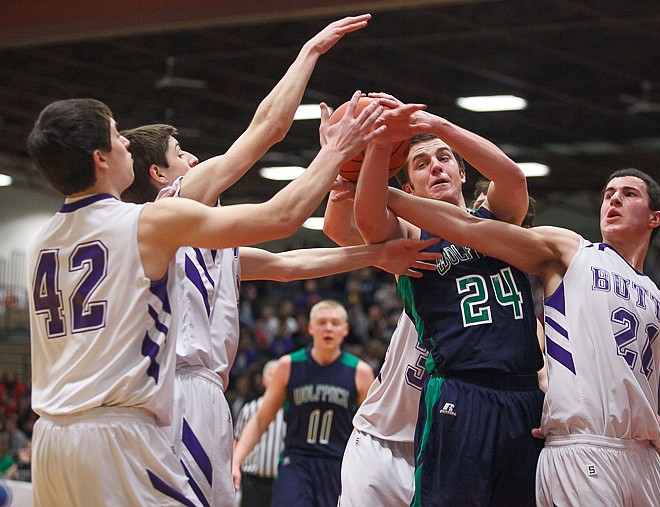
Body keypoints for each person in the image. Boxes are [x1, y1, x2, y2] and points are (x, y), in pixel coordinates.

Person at [22, 93, 406, 505]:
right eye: (118, 135)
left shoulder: (40, 241)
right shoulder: (156, 217)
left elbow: (285, 262)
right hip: (140, 413)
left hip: (53, 433)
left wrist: (375, 253)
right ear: (104, 159)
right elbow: (277, 196)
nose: (127, 144)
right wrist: (334, 149)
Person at [119, 16, 434, 506]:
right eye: (183, 154)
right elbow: (268, 130)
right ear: (160, 175)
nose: (196, 160)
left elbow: (290, 264)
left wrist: (377, 253)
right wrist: (310, 54)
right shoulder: (166, 208)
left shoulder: (195, 244)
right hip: (176, 390)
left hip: (198, 394)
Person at [382, 167, 660, 506]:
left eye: (628, 194)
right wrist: (387, 196)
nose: (613, 199)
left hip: (642, 457)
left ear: (655, 219)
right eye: (608, 194)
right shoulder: (573, 251)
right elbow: (468, 228)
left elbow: (644, 411)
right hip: (583, 446)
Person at [326, 93, 545, 506]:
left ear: (463, 173)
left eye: (444, 159)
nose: (437, 168)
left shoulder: (498, 222)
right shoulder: (412, 238)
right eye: (422, 164)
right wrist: (379, 143)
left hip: (522, 396)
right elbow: (369, 219)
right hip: (460, 391)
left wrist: (438, 125)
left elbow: (514, 178)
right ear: (408, 187)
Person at [232, 300, 374, 507]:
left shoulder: (360, 372)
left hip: (339, 464)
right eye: (322, 322)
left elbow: (369, 431)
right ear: (310, 328)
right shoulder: (288, 365)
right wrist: (236, 460)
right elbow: (262, 420)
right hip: (297, 463)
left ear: (345, 330)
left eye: (335, 323)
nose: (328, 328)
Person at [233, 360, 286, 507]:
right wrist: (233, 466)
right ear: (263, 380)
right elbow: (237, 440)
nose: (274, 377)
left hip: (280, 482)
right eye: (270, 374)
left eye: (278, 374)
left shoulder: (291, 411)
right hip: (252, 481)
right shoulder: (250, 409)